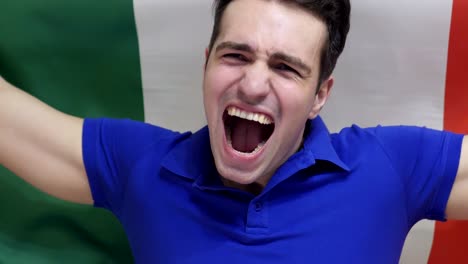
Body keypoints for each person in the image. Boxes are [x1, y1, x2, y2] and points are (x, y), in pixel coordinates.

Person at [0, 0, 466, 263]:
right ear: (206, 63)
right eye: (236, 56)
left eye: (285, 67)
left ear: (320, 95)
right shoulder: (143, 167)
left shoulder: (389, 168)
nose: (253, 84)